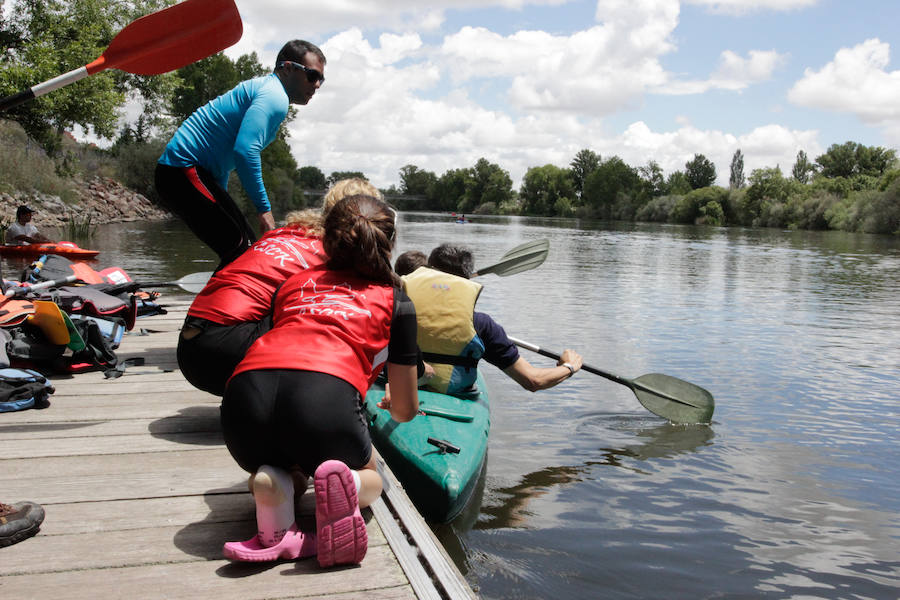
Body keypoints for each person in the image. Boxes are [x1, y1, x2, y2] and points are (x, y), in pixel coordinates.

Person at [220, 195, 419, 567]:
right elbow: (406, 411)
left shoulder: (292, 284)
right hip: (322, 407)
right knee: (373, 475)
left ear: (325, 240)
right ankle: (350, 485)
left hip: (241, 408)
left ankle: (272, 490)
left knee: (285, 462)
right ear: (389, 243)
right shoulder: (396, 300)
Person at [177, 178, 381, 396]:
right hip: (227, 356)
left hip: (189, 350)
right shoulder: (336, 253)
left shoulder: (281, 233)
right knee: (341, 309)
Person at [155, 39, 325, 268]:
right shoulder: (275, 97)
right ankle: (220, 303)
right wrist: (264, 210)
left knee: (244, 248)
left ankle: (225, 299)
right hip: (182, 170)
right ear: (287, 68)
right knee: (240, 250)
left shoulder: (267, 90)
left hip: (187, 173)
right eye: (312, 75)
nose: (316, 85)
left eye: (321, 80)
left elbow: (222, 156)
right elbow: (245, 151)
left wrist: (221, 196)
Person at [403, 243, 583, 394]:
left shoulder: (398, 307)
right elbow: (533, 380)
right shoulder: (481, 325)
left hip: (399, 389)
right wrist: (569, 367)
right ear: (466, 280)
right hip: (453, 396)